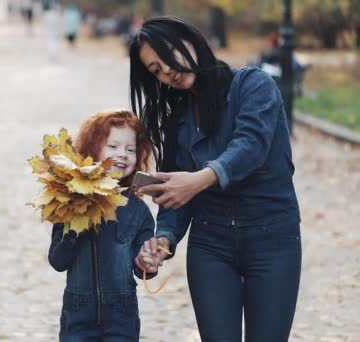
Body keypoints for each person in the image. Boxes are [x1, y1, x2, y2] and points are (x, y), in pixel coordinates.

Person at [129, 17, 302, 341]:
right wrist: (164, 239)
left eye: (168, 55)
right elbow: (175, 194)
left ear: (191, 41)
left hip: (272, 238)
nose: (166, 70)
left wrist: (198, 180)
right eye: (155, 70)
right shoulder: (178, 119)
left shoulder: (253, 85)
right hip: (211, 245)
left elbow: (250, 146)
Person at [49, 109, 156, 341]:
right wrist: (76, 225)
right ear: (92, 149)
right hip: (78, 316)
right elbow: (58, 261)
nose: (123, 155)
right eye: (113, 146)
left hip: (122, 315)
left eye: (130, 149)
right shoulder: (69, 202)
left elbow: (142, 268)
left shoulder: (137, 209)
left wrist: (148, 263)